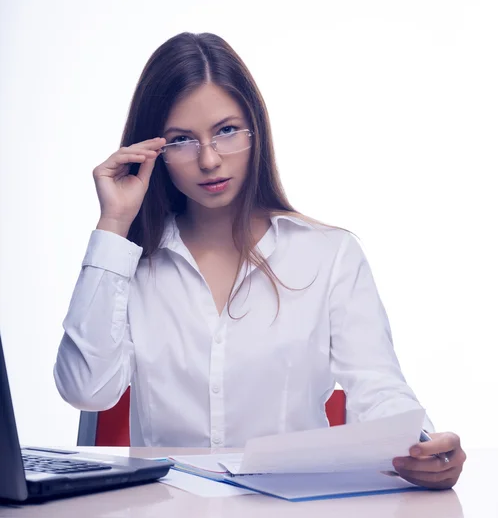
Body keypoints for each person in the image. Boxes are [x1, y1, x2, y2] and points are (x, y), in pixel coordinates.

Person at [54, 32, 466, 489]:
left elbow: (377, 386)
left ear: (256, 130)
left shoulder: (328, 254)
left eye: (226, 131)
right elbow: (86, 390)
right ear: (155, 151)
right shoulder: (130, 264)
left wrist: (424, 444)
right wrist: (113, 222)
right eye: (183, 140)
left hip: (293, 508)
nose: (209, 160)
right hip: (169, 510)